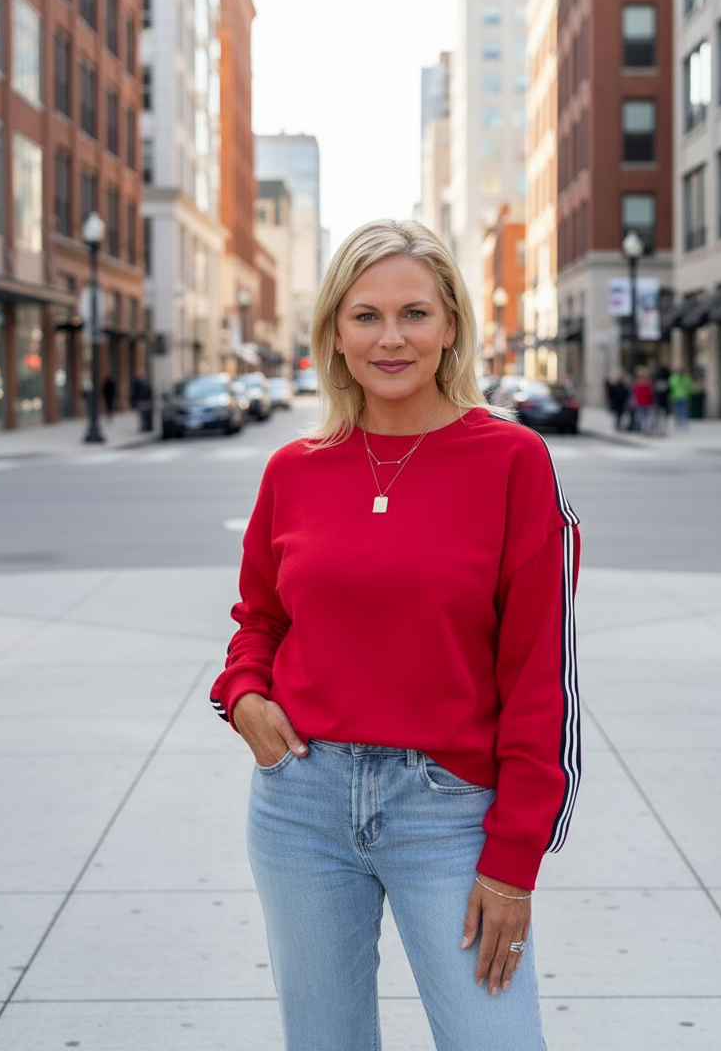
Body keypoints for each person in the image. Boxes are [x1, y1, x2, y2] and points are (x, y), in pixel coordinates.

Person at [211, 220, 582, 1051]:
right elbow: (260, 618)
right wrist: (243, 697)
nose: (391, 338)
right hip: (300, 803)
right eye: (365, 315)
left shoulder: (513, 460)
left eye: (414, 313)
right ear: (336, 334)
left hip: (449, 812)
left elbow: (540, 675)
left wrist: (513, 859)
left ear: (450, 326)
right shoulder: (294, 468)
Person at [632, 367, 654, 433]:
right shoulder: (637, 384)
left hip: (646, 403)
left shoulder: (648, 384)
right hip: (640, 403)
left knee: (645, 417)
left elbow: (650, 394)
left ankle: (644, 428)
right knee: (640, 416)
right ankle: (641, 428)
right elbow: (634, 394)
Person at [653, 363, 671, 436]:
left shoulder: (657, 378)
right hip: (664, 403)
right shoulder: (667, 380)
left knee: (658, 416)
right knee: (663, 416)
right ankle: (662, 430)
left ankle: (659, 429)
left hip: (658, 403)